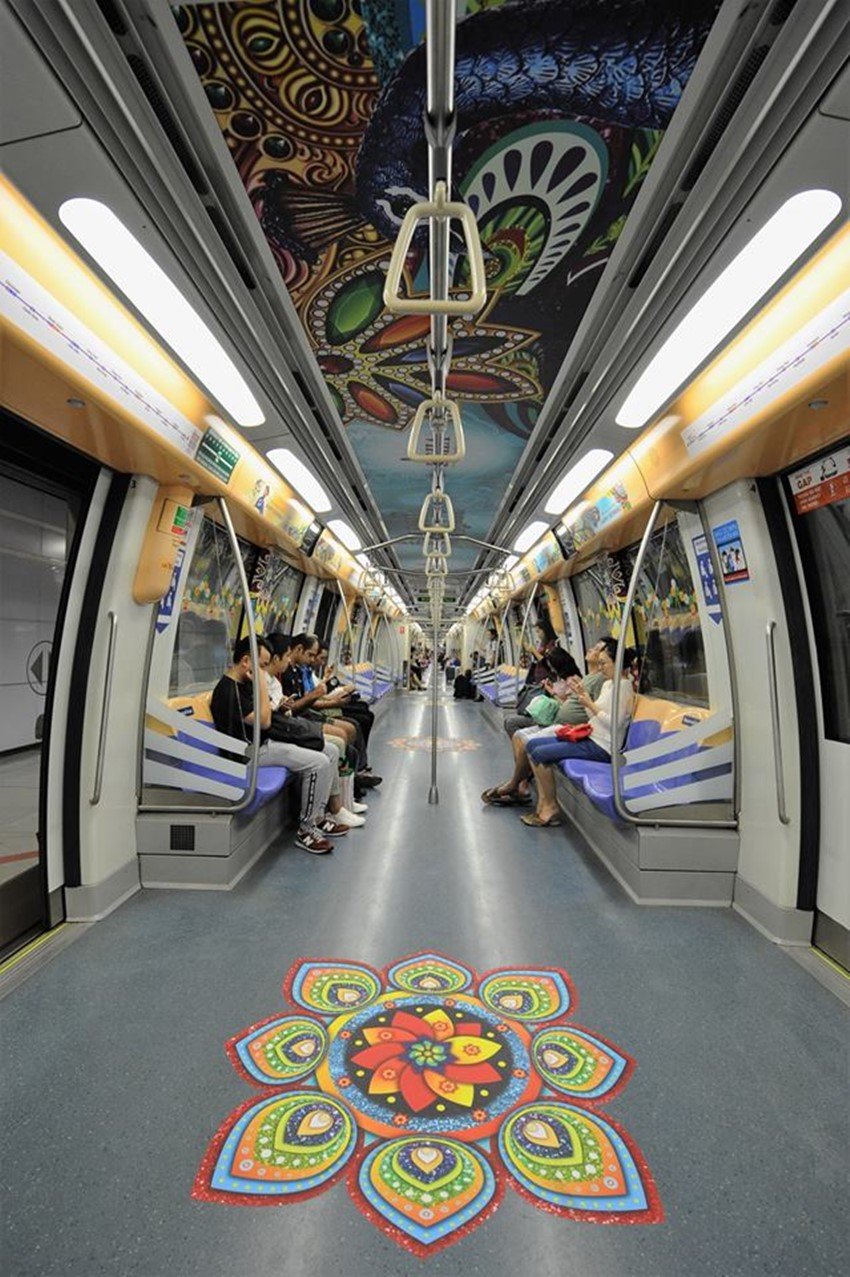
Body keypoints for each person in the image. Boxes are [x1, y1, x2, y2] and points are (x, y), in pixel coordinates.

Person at [209, 636, 356, 854]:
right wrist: (261, 683)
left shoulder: (244, 685)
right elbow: (264, 721)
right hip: (249, 753)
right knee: (319, 762)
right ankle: (306, 829)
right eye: (262, 666)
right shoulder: (228, 692)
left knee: (331, 750)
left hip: (266, 743)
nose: (264, 671)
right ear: (246, 661)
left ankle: (319, 816)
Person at [520, 637, 635, 828]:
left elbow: (614, 724)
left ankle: (550, 806)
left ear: (618, 663)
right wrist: (584, 698)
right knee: (532, 745)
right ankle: (544, 801)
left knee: (539, 753)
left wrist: (590, 703)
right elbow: (594, 717)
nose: (601, 667)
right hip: (591, 736)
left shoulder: (623, 687)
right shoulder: (608, 684)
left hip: (603, 747)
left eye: (604, 663)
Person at [482, 643, 606, 806]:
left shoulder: (594, 681)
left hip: (567, 725)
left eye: (597, 649)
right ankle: (520, 784)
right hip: (558, 720)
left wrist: (567, 697)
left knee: (527, 741)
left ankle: (520, 785)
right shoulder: (587, 678)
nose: (590, 649)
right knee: (518, 733)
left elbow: (593, 711)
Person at [265, 634, 368, 818]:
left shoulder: (280, 680)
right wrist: (324, 698)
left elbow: (288, 709)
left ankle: (341, 800)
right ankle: (327, 810)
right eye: (287, 656)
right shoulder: (271, 680)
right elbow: (271, 718)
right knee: (340, 739)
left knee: (351, 729)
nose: (314, 660)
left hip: (293, 721)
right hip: (287, 727)